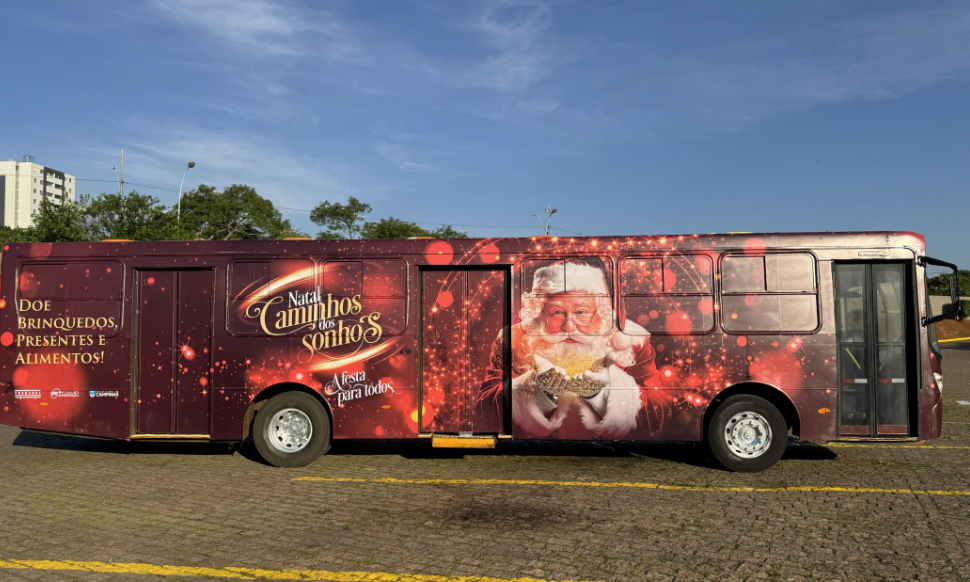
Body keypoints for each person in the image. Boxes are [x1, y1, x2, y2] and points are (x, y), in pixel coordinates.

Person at [477, 259, 659, 439]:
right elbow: (485, 407)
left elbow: (660, 408)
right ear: (541, 311)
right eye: (557, 312)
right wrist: (534, 390)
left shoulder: (632, 340)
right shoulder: (512, 340)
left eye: (581, 312)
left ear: (600, 312)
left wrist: (603, 393)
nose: (569, 327)